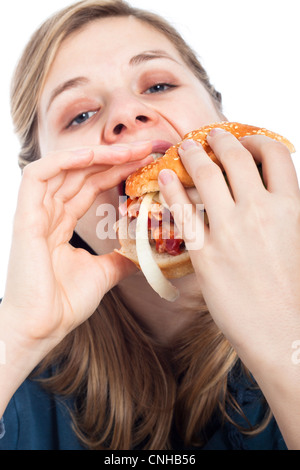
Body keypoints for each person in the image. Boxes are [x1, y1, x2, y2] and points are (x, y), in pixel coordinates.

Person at [0, 0, 299, 451]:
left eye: (158, 84)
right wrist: (20, 335)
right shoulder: (13, 338)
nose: (125, 113)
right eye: (79, 114)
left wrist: (285, 339)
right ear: (45, 183)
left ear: (220, 118)